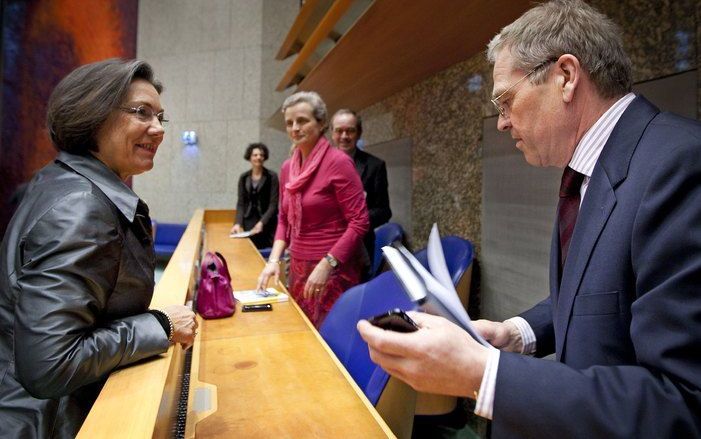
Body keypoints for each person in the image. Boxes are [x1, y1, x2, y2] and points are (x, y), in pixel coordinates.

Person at [357, 0, 701, 437]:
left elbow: (683, 404)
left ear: (565, 77)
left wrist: (482, 373)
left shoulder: (681, 167)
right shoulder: (594, 169)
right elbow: (602, 298)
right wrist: (516, 333)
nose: (501, 122)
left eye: (505, 100)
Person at [0, 59, 198, 438]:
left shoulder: (60, 181)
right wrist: (162, 325)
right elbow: (50, 364)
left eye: (161, 117)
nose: (157, 130)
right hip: (48, 422)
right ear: (93, 113)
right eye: (141, 112)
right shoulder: (81, 207)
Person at [256, 92, 369, 327]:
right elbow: (284, 220)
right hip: (298, 264)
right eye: (289, 123)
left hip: (333, 267)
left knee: (329, 335)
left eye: (302, 121)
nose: (295, 128)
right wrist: (273, 261)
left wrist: (327, 265)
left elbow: (360, 221)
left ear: (321, 124)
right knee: (303, 330)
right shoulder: (288, 167)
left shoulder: (338, 162)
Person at [331, 109, 391, 279]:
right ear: (331, 133)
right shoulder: (318, 165)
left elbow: (384, 211)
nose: (344, 136)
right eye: (339, 130)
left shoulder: (375, 166)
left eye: (350, 130)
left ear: (358, 133)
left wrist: (354, 222)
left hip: (359, 248)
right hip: (323, 246)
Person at [230, 143, 279, 249]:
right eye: (255, 155)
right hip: (248, 223)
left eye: (261, 155)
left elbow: (273, 204)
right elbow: (241, 203)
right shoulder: (243, 177)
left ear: (264, 157)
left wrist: (262, 223)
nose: (258, 157)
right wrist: (237, 223)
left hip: (267, 223)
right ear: (250, 157)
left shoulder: (272, 177)